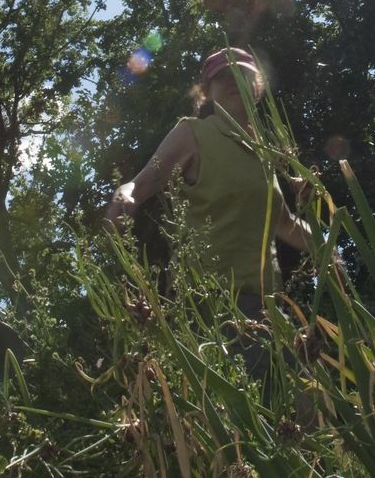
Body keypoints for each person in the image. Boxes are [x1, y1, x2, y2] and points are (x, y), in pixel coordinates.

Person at [104, 47, 312, 379]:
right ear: (207, 92)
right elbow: (137, 186)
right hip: (218, 305)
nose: (234, 83)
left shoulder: (263, 155)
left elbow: (285, 224)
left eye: (243, 75)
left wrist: (329, 248)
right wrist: (123, 198)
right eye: (223, 77)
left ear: (257, 88)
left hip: (270, 308)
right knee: (297, 405)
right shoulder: (194, 133)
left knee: (301, 410)